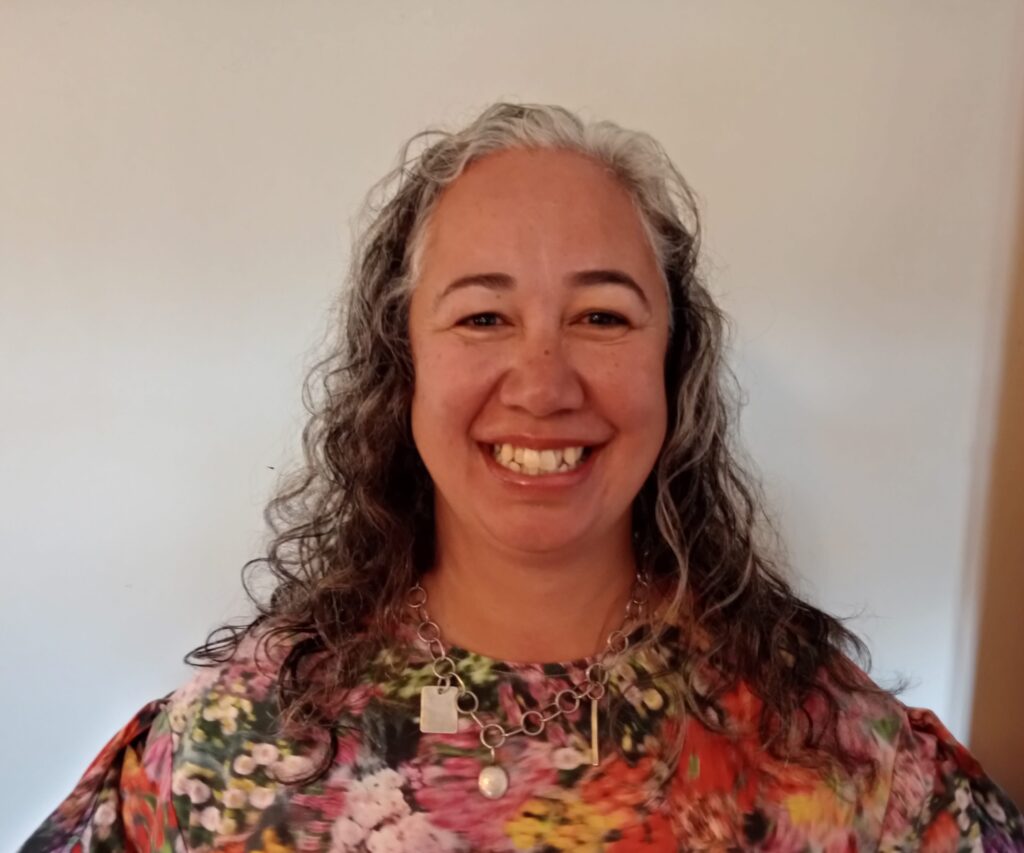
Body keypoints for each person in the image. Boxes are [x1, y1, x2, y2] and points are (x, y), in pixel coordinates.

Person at [21, 102, 1023, 853]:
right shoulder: (235, 749)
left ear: (671, 366)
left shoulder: (829, 751)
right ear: (401, 364)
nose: (541, 384)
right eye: (482, 316)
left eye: (601, 316)